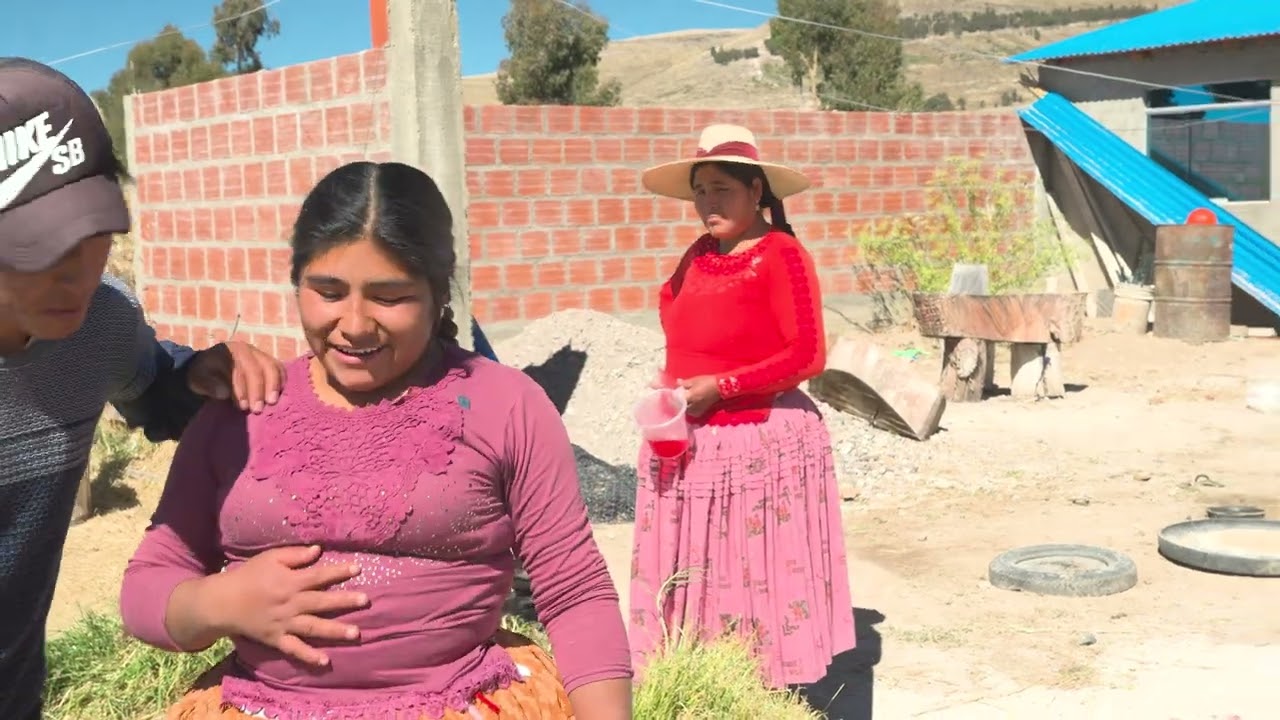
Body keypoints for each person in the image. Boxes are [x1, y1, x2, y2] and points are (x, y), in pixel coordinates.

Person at [119, 160, 633, 720]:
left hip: (462, 701)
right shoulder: (241, 410)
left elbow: (575, 591)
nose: (356, 324)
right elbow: (147, 588)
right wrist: (219, 603)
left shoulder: (504, 405)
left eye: (390, 297)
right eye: (328, 291)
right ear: (297, 283)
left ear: (439, 292)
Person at [0, 58, 283, 720]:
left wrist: (200, 377)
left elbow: (151, 389)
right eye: (39, 246)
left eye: (92, 233)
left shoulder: (101, 324)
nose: (76, 274)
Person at [628, 124, 857, 694]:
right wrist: (673, 384)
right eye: (700, 190)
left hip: (755, 437)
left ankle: (756, 685)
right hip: (688, 432)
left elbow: (807, 354)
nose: (708, 202)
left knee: (744, 568)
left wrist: (724, 385)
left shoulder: (783, 255)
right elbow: (680, 317)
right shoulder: (700, 254)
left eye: (722, 189)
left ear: (756, 191)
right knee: (696, 567)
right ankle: (695, 676)